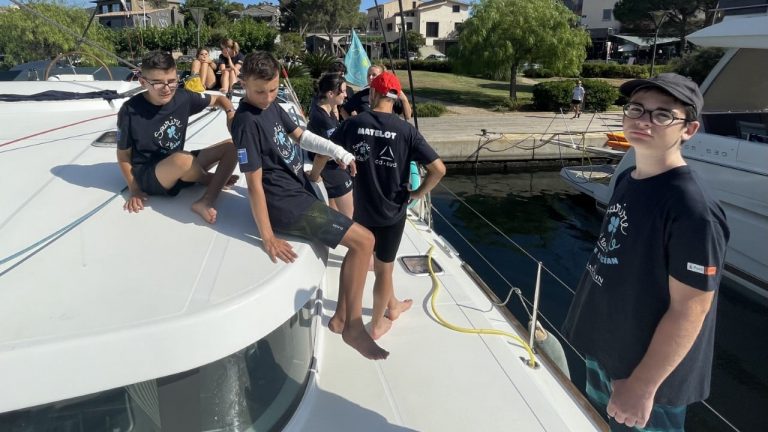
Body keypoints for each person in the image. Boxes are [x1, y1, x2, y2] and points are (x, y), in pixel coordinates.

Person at [562, 73, 729, 431]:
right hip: (609, 349)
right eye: (636, 109)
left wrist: (642, 385)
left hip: (649, 374)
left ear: (689, 129)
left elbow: (692, 307)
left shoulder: (691, 206)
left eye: (662, 115)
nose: (643, 120)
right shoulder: (628, 179)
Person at [230, 51, 388, 360]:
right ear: (242, 83)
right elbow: (253, 184)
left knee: (364, 241)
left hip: (298, 190)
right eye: (259, 91)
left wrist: (338, 152)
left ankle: (342, 318)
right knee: (364, 241)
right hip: (285, 206)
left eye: (273, 89)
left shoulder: (273, 106)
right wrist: (268, 236)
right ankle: (352, 327)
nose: (267, 97)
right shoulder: (245, 123)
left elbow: (302, 136)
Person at [331, 71, 445, 339]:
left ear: (372, 94)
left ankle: (342, 316)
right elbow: (438, 169)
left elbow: (327, 149)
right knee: (384, 268)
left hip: (362, 210)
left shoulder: (354, 124)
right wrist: (417, 193)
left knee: (355, 259)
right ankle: (378, 323)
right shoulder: (407, 131)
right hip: (392, 211)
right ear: (395, 99)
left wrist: (322, 171)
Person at [117, 50, 238, 224]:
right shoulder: (129, 111)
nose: (167, 89)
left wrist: (230, 113)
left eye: (172, 81)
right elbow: (123, 156)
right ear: (143, 82)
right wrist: (134, 189)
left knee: (233, 146)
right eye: (158, 83)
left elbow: (219, 99)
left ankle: (206, 200)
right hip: (150, 174)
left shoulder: (182, 97)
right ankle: (207, 178)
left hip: (181, 164)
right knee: (183, 160)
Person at [307, 72, 354, 218]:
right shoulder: (324, 120)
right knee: (349, 218)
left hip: (328, 168)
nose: (346, 95)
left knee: (335, 215)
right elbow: (324, 153)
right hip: (333, 171)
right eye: (343, 91)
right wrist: (314, 177)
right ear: (331, 94)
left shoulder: (320, 106)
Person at [341, 65, 412, 121]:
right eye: (369, 75)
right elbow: (343, 110)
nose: (371, 77)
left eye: (374, 75)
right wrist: (351, 123)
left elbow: (407, 116)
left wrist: (404, 99)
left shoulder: (389, 95)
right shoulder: (360, 96)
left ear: (382, 77)